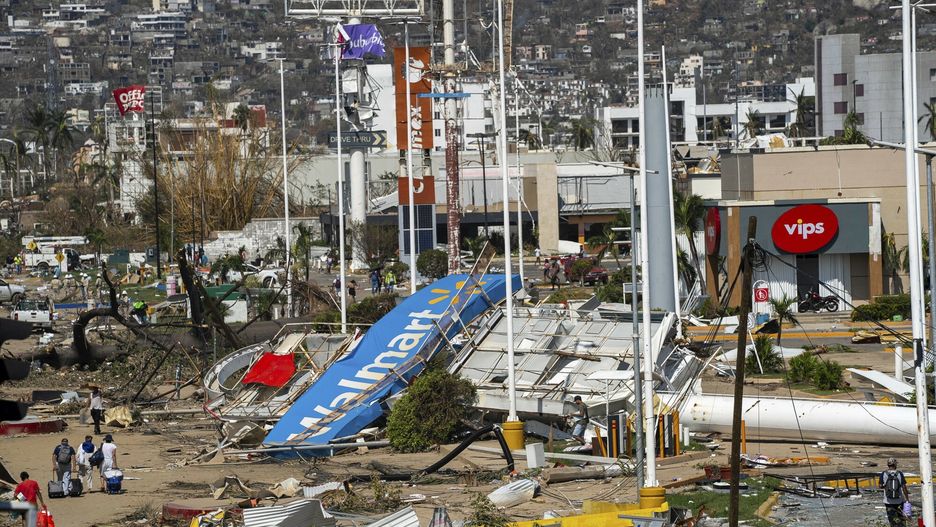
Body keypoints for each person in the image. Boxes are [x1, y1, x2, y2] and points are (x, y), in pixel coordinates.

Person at [880, 457, 910, 527]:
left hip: (888, 501)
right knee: (901, 519)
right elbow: (904, 487)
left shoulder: (883, 473)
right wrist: (907, 499)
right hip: (899, 501)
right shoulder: (899, 473)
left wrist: (886, 487)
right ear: (895, 464)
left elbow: (880, 486)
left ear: (888, 465)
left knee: (892, 520)